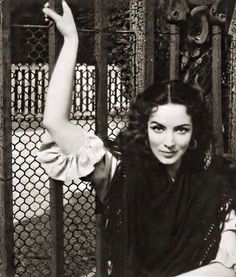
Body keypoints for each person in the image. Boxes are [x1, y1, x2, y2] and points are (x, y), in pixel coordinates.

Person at [38, 1, 236, 276]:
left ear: (193, 135)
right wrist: (71, 41)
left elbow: (226, 269)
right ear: (145, 129)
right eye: (158, 128)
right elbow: (55, 122)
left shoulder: (215, 188)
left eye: (180, 129)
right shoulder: (122, 175)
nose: (168, 141)